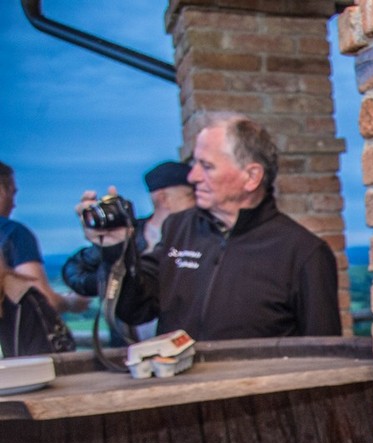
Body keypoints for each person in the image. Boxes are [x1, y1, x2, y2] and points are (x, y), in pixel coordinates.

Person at [77, 113, 340, 340]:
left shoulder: (303, 252)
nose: (192, 177)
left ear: (251, 177)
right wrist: (115, 248)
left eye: (207, 166)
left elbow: (324, 358)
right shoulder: (177, 228)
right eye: (194, 164)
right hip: (180, 385)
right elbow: (136, 309)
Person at [62, 161, 196, 343]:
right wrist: (112, 277)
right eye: (190, 195)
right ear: (164, 198)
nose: (197, 202)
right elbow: (75, 271)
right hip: (130, 345)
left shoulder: (197, 236)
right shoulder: (128, 235)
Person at [0, 160, 78, 320]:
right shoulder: (14, 233)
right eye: (12, 194)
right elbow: (44, 301)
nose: (14, 204)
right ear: (1, 192)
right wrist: (71, 303)